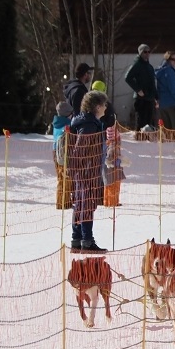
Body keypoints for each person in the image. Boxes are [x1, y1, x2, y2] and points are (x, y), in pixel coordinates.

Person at [69, 90, 109, 252]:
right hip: (87, 171)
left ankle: (77, 239)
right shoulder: (89, 125)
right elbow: (81, 147)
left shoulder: (88, 123)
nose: (106, 108)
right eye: (104, 105)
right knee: (86, 204)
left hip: (84, 170)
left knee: (80, 204)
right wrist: (86, 165)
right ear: (97, 107)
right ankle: (86, 240)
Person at [92, 79, 125, 207]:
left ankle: (99, 197)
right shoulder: (107, 106)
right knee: (107, 170)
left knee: (99, 169)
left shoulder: (89, 106)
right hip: (106, 138)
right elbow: (111, 122)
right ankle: (105, 198)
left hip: (95, 138)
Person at [125, 43, 159, 132]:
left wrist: (156, 97)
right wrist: (138, 90)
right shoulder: (137, 64)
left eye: (148, 52)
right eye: (145, 52)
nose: (147, 54)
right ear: (140, 53)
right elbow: (128, 77)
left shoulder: (149, 67)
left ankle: (148, 142)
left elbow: (152, 83)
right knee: (141, 122)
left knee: (150, 123)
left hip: (150, 99)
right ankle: (139, 141)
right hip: (141, 99)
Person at [154, 51, 175, 131]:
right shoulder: (169, 72)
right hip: (172, 105)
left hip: (162, 105)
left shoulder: (160, 71)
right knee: (174, 133)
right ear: (168, 60)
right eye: (173, 59)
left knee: (165, 131)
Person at [52, 99, 75, 209]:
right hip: (64, 155)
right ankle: (63, 202)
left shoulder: (56, 123)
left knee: (61, 178)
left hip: (55, 153)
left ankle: (64, 200)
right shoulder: (67, 126)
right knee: (66, 178)